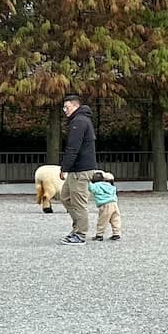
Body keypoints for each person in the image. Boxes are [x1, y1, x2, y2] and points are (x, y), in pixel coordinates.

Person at [59, 93, 98, 244]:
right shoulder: (80, 120)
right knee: (65, 197)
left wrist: (64, 167)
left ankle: (80, 234)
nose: (65, 110)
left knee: (78, 203)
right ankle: (77, 228)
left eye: (67, 107)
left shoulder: (79, 121)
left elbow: (73, 147)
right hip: (77, 169)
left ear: (75, 106)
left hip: (80, 169)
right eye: (64, 107)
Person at [90, 170, 123, 241]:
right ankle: (116, 233)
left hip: (105, 205)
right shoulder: (110, 185)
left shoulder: (96, 185)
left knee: (102, 220)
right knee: (115, 219)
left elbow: (90, 188)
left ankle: (99, 235)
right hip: (114, 204)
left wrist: (87, 181)